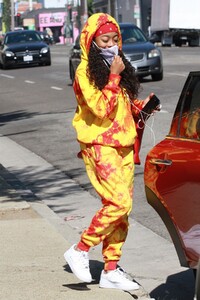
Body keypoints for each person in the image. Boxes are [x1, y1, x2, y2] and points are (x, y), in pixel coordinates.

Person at [64, 13, 158, 291]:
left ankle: (110, 269)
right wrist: (114, 77)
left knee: (121, 213)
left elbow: (120, 109)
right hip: (99, 145)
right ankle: (80, 249)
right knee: (118, 203)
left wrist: (143, 106)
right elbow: (102, 109)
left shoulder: (115, 67)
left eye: (115, 39)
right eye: (105, 40)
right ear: (92, 43)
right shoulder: (85, 73)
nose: (112, 45)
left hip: (124, 145)